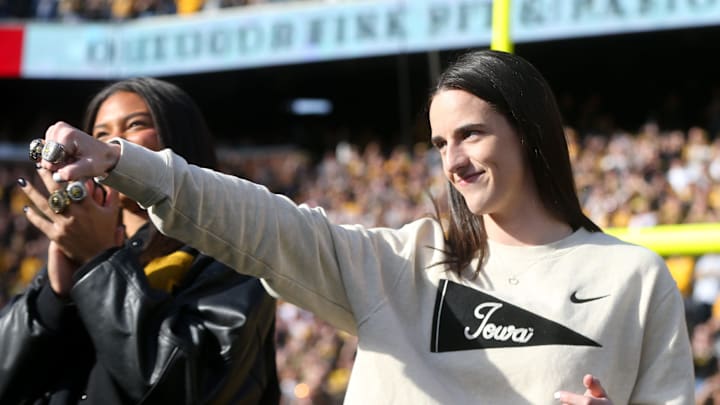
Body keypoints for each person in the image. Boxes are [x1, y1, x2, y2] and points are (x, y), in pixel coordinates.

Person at [38, 50, 693, 404]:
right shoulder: (400, 262)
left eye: (471, 134)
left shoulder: (632, 276)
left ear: (530, 131)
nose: (454, 160)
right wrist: (125, 163)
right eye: (440, 143)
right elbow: (266, 223)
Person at [0, 77, 280, 404]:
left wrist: (99, 262)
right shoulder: (82, 252)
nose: (112, 143)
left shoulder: (237, 254)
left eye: (135, 125)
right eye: (101, 134)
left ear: (181, 140)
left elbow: (186, 389)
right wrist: (54, 298)